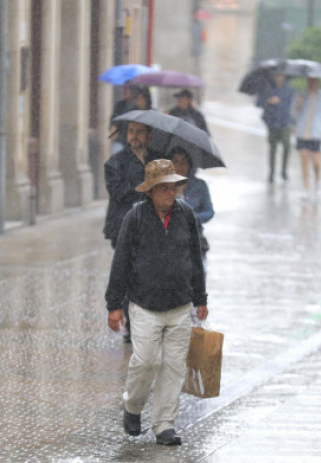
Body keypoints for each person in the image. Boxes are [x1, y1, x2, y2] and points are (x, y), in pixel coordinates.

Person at [106, 159, 209, 446]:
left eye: (172, 186)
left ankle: (164, 424)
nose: (169, 192)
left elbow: (195, 259)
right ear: (150, 191)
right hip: (144, 305)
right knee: (146, 361)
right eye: (162, 188)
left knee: (174, 367)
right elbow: (121, 262)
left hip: (179, 305)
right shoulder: (135, 217)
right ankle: (133, 405)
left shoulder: (186, 215)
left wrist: (200, 298)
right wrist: (114, 305)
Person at [103, 121, 160, 342]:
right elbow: (118, 192)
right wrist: (145, 187)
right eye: (131, 132)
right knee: (128, 275)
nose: (134, 136)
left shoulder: (158, 160)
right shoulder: (115, 163)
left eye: (139, 132)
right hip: (123, 227)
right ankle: (132, 324)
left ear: (148, 135)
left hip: (152, 228)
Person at [167, 147, 214, 261]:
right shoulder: (162, 187)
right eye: (176, 162)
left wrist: (193, 218)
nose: (180, 166)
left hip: (194, 241)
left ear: (189, 166)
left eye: (184, 162)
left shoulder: (200, 185)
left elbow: (209, 211)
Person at [292, 77, 321, 194]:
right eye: (310, 81)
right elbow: (293, 115)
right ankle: (306, 186)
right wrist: (298, 105)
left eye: (314, 82)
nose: (312, 84)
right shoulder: (300, 96)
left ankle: (317, 180)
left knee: (316, 162)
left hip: (316, 134)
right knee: (304, 160)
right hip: (302, 133)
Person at [256, 69, 295, 182]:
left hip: (285, 122)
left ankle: (283, 170)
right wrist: (269, 101)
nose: (279, 77)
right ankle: (271, 172)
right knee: (272, 148)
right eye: (276, 74)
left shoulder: (289, 89)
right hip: (272, 122)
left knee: (287, 146)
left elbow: (292, 106)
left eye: (281, 74)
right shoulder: (268, 89)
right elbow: (258, 103)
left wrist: (294, 122)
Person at [109, 83, 137, 154]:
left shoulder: (136, 106)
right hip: (120, 139)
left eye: (127, 91)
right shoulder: (120, 105)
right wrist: (113, 128)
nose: (125, 93)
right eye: (124, 90)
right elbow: (114, 119)